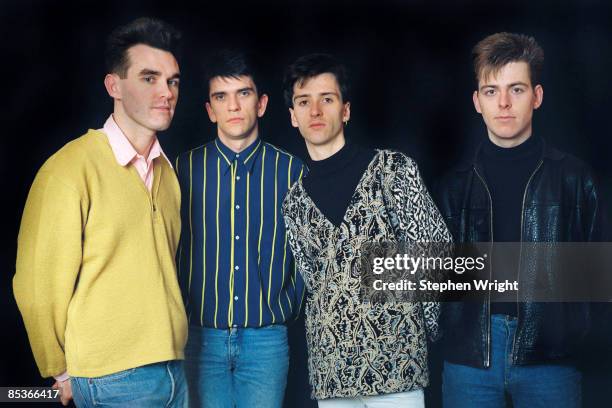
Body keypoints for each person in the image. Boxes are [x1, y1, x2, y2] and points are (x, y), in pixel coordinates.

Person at [13, 17, 188, 407]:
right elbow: (35, 285)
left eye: (172, 80)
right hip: (112, 377)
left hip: (174, 369)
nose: (166, 92)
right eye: (149, 78)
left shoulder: (168, 173)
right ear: (114, 86)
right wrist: (58, 371)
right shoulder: (69, 169)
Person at [435, 32, 604, 408]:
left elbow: (601, 277)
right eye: (492, 91)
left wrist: (572, 332)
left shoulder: (576, 179)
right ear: (478, 102)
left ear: (537, 96)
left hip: (551, 357)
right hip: (470, 358)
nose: (505, 103)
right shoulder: (453, 187)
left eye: (516, 89)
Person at [281, 53, 451, 408]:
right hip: (332, 374)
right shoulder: (294, 202)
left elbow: (436, 247)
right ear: (293, 116)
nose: (315, 110)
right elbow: (316, 283)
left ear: (345, 110)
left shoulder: (392, 170)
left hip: (396, 366)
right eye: (303, 102)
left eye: (326, 99)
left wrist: (420, 330)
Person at [175, 50, 305, 408]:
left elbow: (313, 254)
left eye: (243, 94)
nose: (233, 106)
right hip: (200, 338)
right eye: (221, 97)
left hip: (266, 340)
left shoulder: (293, 172)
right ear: (210, 110)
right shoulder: (182, 170)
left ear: (261, 104)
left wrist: (285, 304)